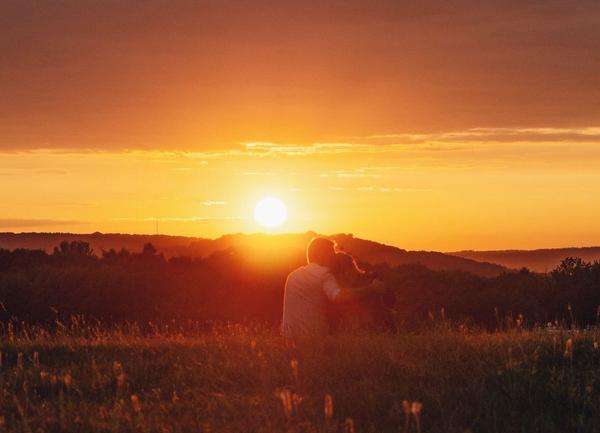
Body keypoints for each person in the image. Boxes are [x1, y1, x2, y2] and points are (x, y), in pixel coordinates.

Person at [281, 237, 386, 338]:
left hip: (289, 339)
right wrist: (372, 288)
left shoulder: (292, 276)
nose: (334, 256)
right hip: (313, 339)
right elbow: (338, 296)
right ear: (324, 254)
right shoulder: (324, 273)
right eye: (332, 253)